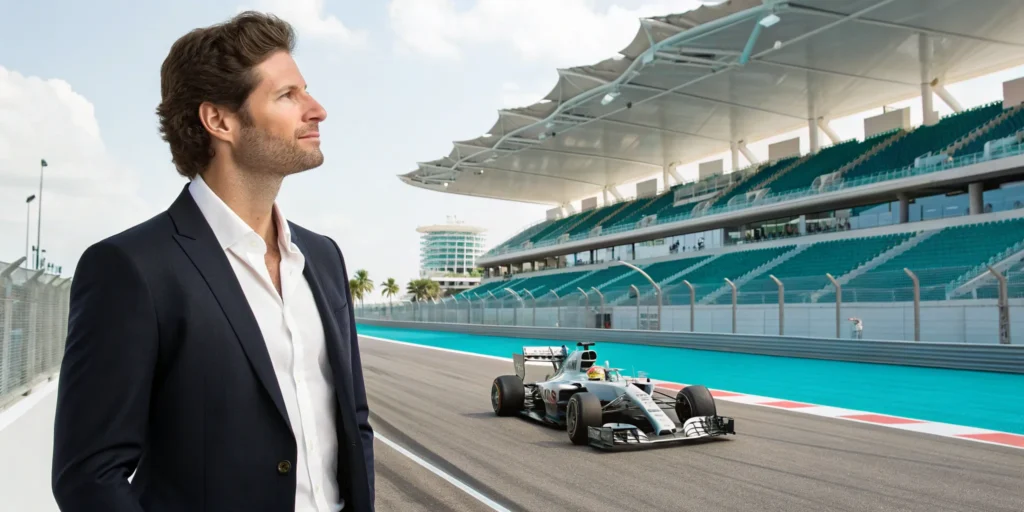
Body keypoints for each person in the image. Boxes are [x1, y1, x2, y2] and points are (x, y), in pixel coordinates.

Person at [50, 11, 374, 512]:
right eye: (288, 95)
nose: (317, 110)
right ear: (219, 120)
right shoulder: (131, 268)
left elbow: (355, 425)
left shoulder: (324, 258)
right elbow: (91, 476)